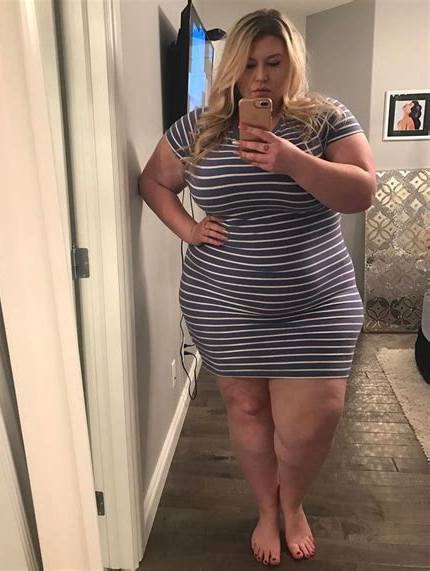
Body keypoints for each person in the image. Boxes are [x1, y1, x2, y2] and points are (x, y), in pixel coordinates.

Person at [139, 8, 376, 567]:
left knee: (309, 426)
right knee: (246, 409)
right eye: (248, 65)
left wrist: (291, 161)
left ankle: (293, 502)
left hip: (316, 304)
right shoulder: (197, 128)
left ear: (292, 63)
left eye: (273, 62)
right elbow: (153, 182)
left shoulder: (326, 119)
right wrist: (189, 229)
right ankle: (268, 511)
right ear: (231, 68)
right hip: (224, 303)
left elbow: (361, 192)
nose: (261, 77)